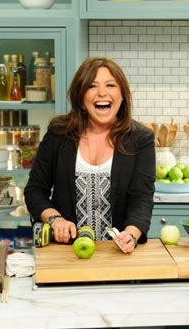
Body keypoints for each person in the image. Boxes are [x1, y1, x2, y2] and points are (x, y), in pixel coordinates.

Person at [25, 56, 155, 253]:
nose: (102, 93)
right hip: (66, 253)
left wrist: (131, 234)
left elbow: (142, 199)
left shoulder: (141, 139)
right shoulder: (58, 134)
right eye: (92, 86)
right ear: (81, 97)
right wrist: (55, 219)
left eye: (111, 85)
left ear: (122, 95)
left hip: (117, 253)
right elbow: (35, 190)